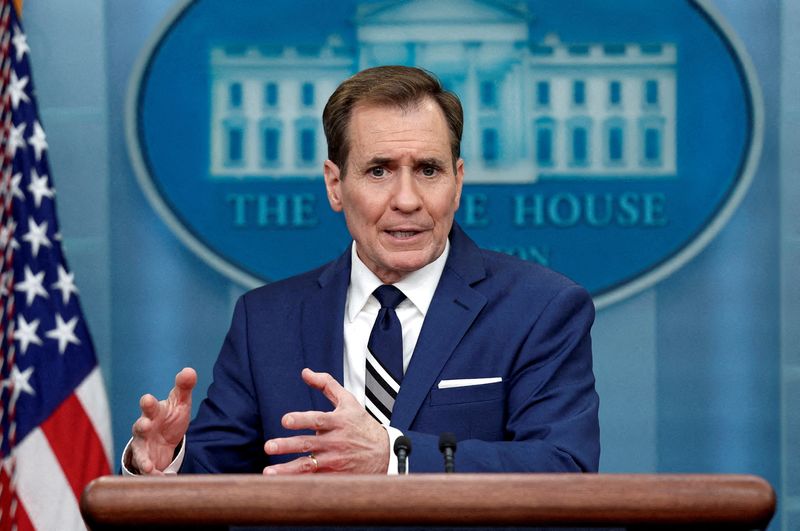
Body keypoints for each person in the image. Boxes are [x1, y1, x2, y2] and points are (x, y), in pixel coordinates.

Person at [124, 65, 600, 475]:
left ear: (458, 182)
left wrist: (392, 457)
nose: (407, 200)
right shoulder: (265, 321)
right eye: (379, 171)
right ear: (335, 185)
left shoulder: (540, 308)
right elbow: (217, 479)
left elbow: (562, 468)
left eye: (429, 171)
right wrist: (168, 460)